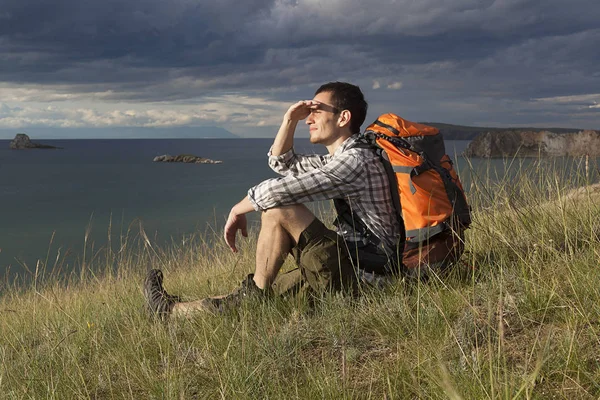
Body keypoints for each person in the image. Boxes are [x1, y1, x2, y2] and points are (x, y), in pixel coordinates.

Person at [144, 81, 403, 318]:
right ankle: (169, 312)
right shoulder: (340, 159)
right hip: (351, 263)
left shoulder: (356, 162)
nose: (309, 118)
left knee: (278, 210)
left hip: (369, 274)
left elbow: (275, 194)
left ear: (343, 117)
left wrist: (237, 209)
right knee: (253, 297)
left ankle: (254, 293)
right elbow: (282, 162)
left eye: (316, 111)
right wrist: (289, 120)